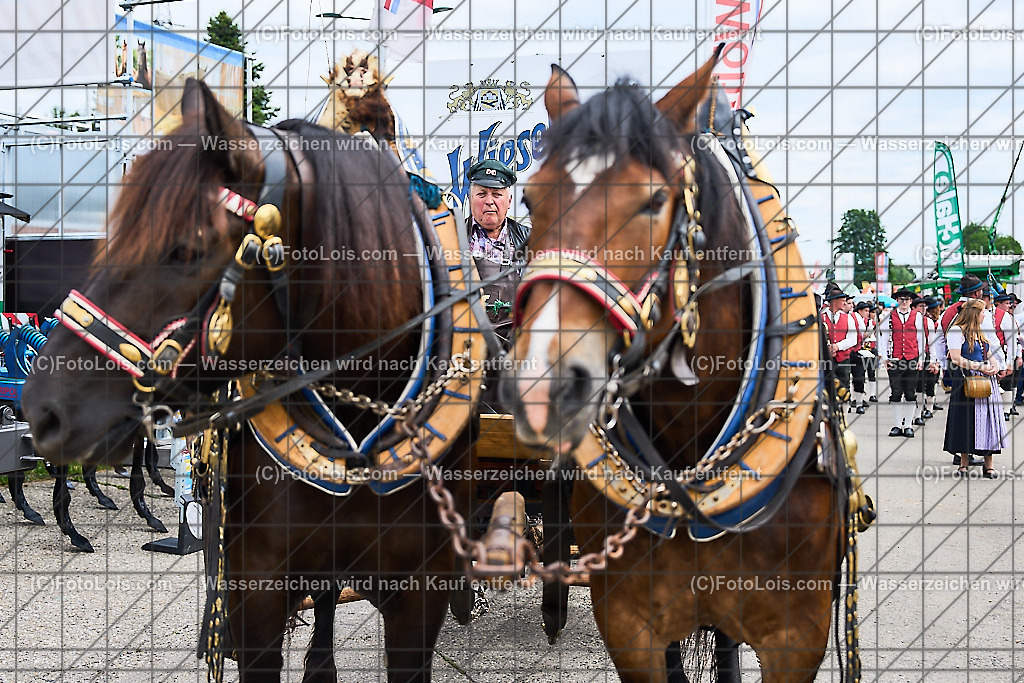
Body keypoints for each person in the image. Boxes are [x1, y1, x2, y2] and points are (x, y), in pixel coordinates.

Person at [465, 158, 530, 343]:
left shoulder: (530, 241)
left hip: (515, 347)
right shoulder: (453, 239)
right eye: (482, 194)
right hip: (465, 345)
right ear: (470, 200)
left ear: (509, 201)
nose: (489, 201)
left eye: (496, 194)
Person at [943, 299, 1006, 478]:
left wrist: (994, 366)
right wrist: (979, 367)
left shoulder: (980, 331)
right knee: (966, 420)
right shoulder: (957, 331)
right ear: (974, 313)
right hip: (966, 380)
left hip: (986, 380)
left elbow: (989, 352)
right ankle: (963, 464)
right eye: (983, 312)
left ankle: (989, 466)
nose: (985, 315)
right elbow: (955, 358)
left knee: (988, 422)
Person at [878, 288, 928, 437]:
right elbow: (883, 338)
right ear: (897, 300)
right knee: (896, 392)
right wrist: (884, 358)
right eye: (901, 299)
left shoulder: (917, 316)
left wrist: (921, 359)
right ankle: (897, 424)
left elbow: (921, 339)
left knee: (910, 392)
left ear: (911, 301)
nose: (904, 302)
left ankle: (908, 425)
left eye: (906, 299)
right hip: (895, 359)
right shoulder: (889, 317)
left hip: (912, 358)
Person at [820, 287, 856, 399]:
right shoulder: (821, 317)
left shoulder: (848, 318)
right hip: (826, 360)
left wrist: (837, 346)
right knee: (825, 390)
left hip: (843, 360)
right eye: (843, 300)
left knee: (844, 391)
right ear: (834, 301)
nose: (845, 303)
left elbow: (853, 339)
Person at [993, 292, 1021, 420]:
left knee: (1008, 382)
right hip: (990, 354)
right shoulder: (988, 314)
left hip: (1005, 353)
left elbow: (1014, 340)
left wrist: (1016, 357)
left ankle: (1006, 409)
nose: (1010, 306)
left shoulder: (1008, 317)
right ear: (998, 304)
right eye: (1007, 303)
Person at [849, 301, 873, 413]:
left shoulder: (862, 320)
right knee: (858, 377)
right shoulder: (854, 318)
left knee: (858, 378)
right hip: (852, 351)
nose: (868, 313)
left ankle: (857, 403)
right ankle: (856, 403)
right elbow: (862, 335)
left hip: (855, 350)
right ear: (860, 311)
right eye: (866, 311)